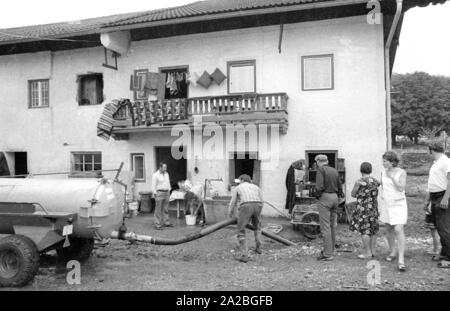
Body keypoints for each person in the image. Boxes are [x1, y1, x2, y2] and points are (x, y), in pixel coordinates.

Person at [379, 151, 408, 272]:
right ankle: (393, 251)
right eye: (383, 160)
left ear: (392, 162)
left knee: (398, 229)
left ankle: (401, 259)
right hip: (387, 204)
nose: (383, 163)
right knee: (388, 229)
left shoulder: (401, 172)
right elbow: (383, 187)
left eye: (385, 161)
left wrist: (392, 178)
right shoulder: (382, 172)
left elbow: (401, 187)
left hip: (399, 204)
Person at [423, 142, 450, 269]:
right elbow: (431, 184)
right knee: (439, 227)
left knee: (444, 228)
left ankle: (448, 257)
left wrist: (445, 198)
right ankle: (444, 253)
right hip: (434, 197)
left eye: (429, 151)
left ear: (432, 150)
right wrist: (427, 201)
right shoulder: (436, 163)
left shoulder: (446, 162)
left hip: (442, 196)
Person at [228, 174, 263, 263]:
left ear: (242, 180)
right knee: (257, 227)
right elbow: (262, 200)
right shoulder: (256, 187)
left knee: (241, 230)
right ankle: (259, 248)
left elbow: (233, 202)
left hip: (246, 205)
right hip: (258, 205)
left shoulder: (238, 187)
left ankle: (244, 255)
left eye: (240, 180)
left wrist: (230, 213)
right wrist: (256, 213)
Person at [349, 162, 381, 259]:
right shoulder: (376, 181)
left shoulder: (359, 182)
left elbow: (353, 194)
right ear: (370, 170)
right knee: (373, 229)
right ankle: (373, 250)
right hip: (373, 208)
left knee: (364, 230)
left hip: (363, 209)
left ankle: (367, 252)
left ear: (361, 170)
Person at [314, 154, 343, 261]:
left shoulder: (321, 170)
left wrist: (316, 196)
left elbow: (319, 186)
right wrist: (339, 196)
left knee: (325, 227)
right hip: (335, 198)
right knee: (332, 226)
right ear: (326, 161)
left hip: (325, 198)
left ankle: (327, 254)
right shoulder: (334, 170)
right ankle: (331, 249)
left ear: (318, 161)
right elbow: (340, 185)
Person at [151, 162, 173, 230]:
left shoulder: (167, 174)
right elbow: (153, 186)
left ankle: (166, 222)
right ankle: (157, 225)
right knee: (158, 210)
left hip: (166, 193)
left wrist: (169, 190)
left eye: (166, 167)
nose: (166, 168)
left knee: (166, 209)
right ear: (160, 167)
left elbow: (168, 182)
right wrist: (155, 194)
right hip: (159, 193)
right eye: (164, 167)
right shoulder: (155, 175)